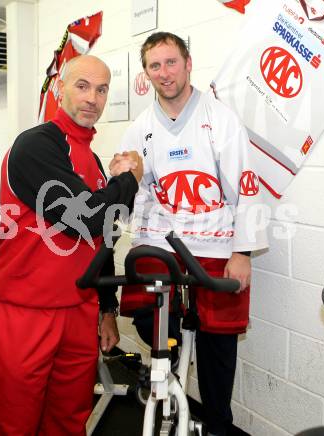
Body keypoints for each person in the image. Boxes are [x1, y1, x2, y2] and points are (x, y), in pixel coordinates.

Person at [114, 32, 268, 436]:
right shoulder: (138, 129)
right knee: (149, 319)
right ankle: (170, 382)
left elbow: (246, 187)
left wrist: (244, 253)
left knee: (220, 344)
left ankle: (217, 424)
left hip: (215, 244)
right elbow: (135, 192)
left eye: (170, 62)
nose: (164, 73)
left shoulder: (221, 119)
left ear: (187, 63)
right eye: (154, 66)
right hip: (160, 242)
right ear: (145, 73)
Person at [0, 55, 143, 436]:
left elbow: (103, 237)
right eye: (82, 86)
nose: (92, 98)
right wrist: (130, 180)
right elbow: (86, 218)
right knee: (14, 423)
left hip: (77, 311)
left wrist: (107, 308)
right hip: (26, 311)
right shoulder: (36, 146)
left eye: (101, 89)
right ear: (59, 89)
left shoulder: (90, 158)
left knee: (70, 420)